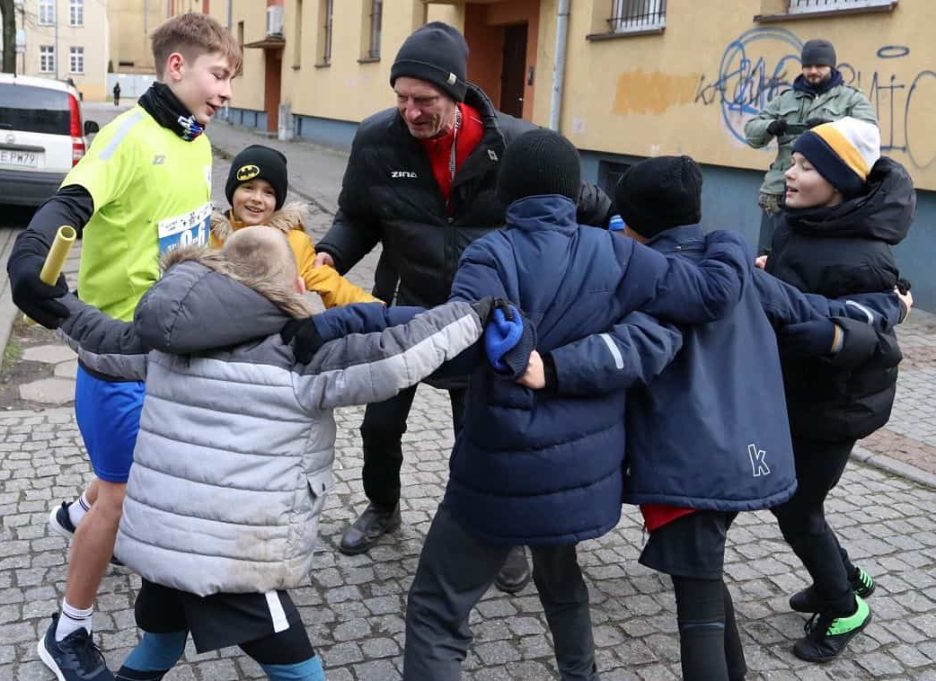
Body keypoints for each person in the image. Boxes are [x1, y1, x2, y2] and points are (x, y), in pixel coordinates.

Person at [54, 226, 509, 681]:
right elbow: (396, 354)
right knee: (301, 673)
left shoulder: (166, 342)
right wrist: (473, 316)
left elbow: (93, 335)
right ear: (295, 287)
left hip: (161, 546)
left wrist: (49, 294)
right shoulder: (300, 361)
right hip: (232, 561)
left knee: (161, 643)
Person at [392, 129, 758, 681]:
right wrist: (730, 241)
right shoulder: (618, 253)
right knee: (560, 578)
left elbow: (455, 350)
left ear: (506, 191)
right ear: (574, 191)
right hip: (583, 477)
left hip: (499, 473)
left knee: (435, 610)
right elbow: (711, 294)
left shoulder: (488, 254)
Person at [313, 21, 612, 592]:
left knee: (482, 435)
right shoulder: (376, 141)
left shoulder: (517, 146)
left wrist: (638, 235)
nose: (410, 112)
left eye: (423, 100)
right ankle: (383, 507)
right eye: (401, 98)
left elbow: (586, 204)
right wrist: (331, 253)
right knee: (379, 427)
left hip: (485, 316)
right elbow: (357, 216)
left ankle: (501, 532)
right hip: (407, 307)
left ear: (455, 93)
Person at [5, 12, 241, 681]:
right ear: (177, 66)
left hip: (169, 345)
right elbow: (71, 202)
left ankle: (76, 511)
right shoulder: (128, 136)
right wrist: (34, 249)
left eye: (231, 78)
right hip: (116, 352)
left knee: (131, 467)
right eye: (219, 74)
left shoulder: (195, 140)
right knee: (124, 492)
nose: (227, 91)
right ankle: (66, 630)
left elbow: (185, 230)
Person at [614, 155, 903, 681]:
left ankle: (829, 606)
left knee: (698, 602)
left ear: (630, 219)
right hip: (735, 450)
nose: (791, 172)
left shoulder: (631, 275)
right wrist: (884, 314)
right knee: (700, 577)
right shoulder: (737, 268)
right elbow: (814, 311)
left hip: (679, 462)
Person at [761, 117, 914, 663]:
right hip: (799, 394)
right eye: (794, 162)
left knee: (797, 509)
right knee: (798, 504)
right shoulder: (801, 224)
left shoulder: (863, 254)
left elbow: (870, 333)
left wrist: (821, 329)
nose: (790, 173)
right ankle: (845, 576)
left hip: (836, 406)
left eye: (807, 167)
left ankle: (844, 605)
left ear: (840, 181)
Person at [744, 39, 876, 255]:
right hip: (780, 191)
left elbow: (868, 133)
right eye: (808, 66)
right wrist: (770, 126)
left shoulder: (851, 98)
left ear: (831, 66)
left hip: (825, 193)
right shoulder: (785, 99)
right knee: (769, 256)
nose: (813, 71)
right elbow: (751, 131)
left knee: (810, 256)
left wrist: (831, 128)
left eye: (820, 66)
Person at [210, 144, 377, 307]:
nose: (257, 198)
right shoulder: (208, 236)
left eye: (268, 192)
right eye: (248, 188)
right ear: (232, 191)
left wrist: (381, 313)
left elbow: (333, 286)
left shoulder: (293, 243)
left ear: (278, 201)